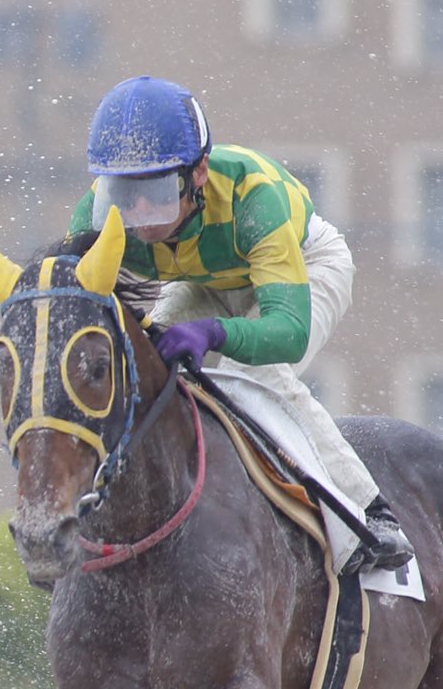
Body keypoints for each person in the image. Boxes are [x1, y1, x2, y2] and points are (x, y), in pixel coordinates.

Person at [70, 76, 413, 572]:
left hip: (307, 267)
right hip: (201, 280)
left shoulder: (254, 199)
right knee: (141, 362)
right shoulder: (98, 212)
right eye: (125, 193)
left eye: (157, 193)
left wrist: (216, 333)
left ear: (199, 173)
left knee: (254, 375)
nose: (139, 215)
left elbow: (287, 334)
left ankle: (368, 513)